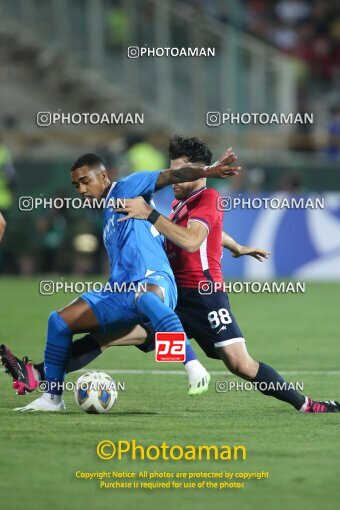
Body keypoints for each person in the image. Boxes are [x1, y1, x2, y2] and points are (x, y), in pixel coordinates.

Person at [1, 146, 240, 412]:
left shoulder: (127, 187)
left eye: (85, 181)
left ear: (103, 177)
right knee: (59, 321)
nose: (80, 189)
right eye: (75, 185)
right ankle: (52, 398)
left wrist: (209, 170)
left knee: (146, 297)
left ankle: (193, 365)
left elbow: (172, 175)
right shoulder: (105, 214)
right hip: (119, 292)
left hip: (155, 282)